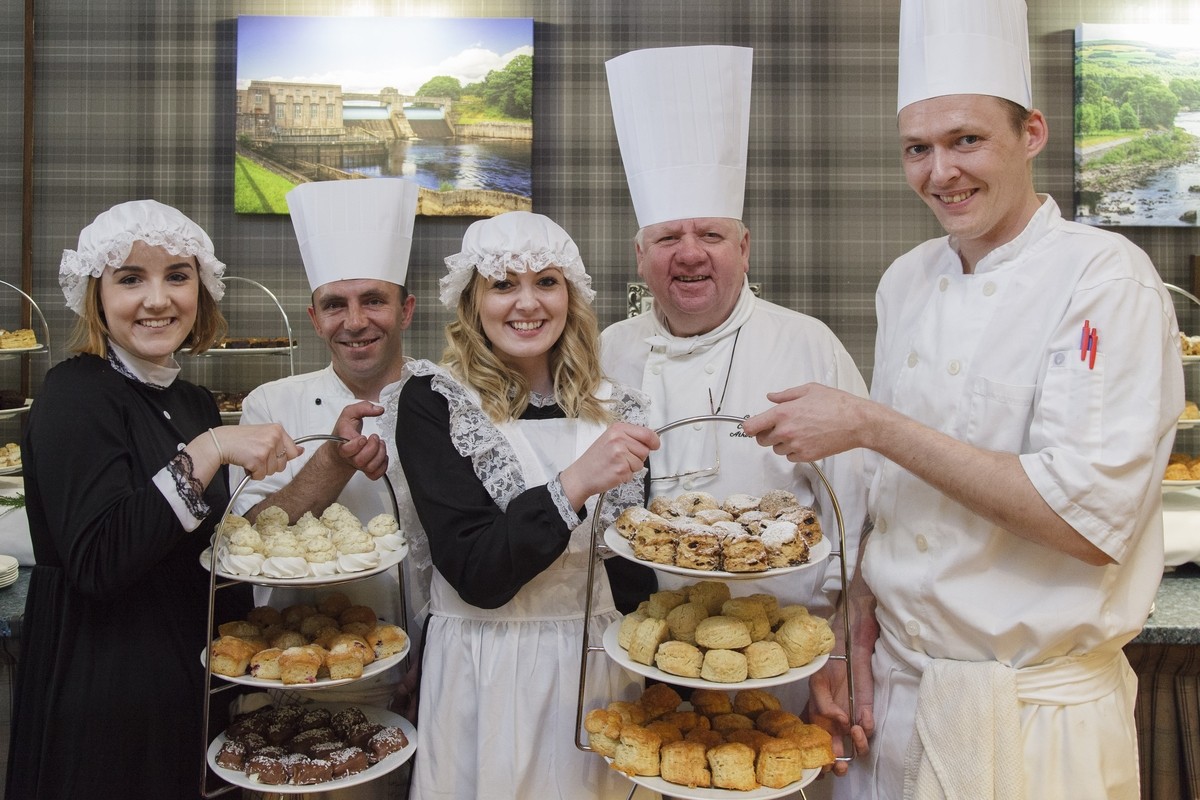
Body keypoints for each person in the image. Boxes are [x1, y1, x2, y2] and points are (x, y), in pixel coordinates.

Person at [741, 2, 1184, 798]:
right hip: (896, 693)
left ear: (1032, 134)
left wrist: (870, 424)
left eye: (966, 140)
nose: (941, 172)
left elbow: (1084, 520)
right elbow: (896, 503)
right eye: (918, 149)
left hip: (1033, 715)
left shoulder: (1104, 278)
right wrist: (855, 625)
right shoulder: (906, 279)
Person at [602, 44, 871, 748]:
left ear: (744, 248)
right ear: (640, 255)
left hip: (784, 660)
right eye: (668, 237)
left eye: (710, 235)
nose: (689, 253)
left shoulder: (808, 345)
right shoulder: (606, 353)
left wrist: (834, 649)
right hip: (632, 653)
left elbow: (863, 513)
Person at [6, 200, 299, 799]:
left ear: (202, 291)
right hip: (104, 688)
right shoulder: (74, 395)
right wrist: (212, 447)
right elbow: (97, 561)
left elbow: (207, 543)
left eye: (177, 276)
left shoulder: (190, 401)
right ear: (97, 294)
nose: (158, 299)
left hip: (186, 680)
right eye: (131, 278)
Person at [391, 210, 661, 799]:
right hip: (486, 672)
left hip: (601, 671)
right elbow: (477, 574)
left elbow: (635, 571)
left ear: (571, 295)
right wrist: (575, 483)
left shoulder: (618, 406)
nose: (527, 303)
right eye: (503, 284)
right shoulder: (435, 403)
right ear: (472, 300)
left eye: (546, 281)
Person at [230, 179, 428, 751]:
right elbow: (245, 539)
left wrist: (435, 660)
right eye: (336, 305)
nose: (356, 320)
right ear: (314, 318)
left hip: (414, 664)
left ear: (406, 309)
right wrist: (333, 462)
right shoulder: (270, 404)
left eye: (374, 300)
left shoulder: (445, 400)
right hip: (291, 671)